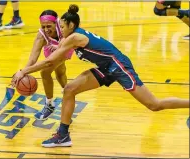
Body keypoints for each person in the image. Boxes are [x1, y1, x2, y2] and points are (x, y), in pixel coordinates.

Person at [11, 4, 189, 147]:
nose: (61, 30)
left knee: (154, 105)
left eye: (62, 27)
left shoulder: (73, 38)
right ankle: (63, 135)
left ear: (71, 26)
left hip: (118, 66)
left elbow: (49, 62)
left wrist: (24, 71)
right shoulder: (72, 35)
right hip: (105, 66)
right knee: (70, 89)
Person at [16, 9, 73, 120]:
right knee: (60, 71)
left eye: (49, 26)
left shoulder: (64, 28)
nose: (46, 29)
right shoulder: (41, 36)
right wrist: (22, 73)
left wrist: (60, 47)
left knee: (45, 72)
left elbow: (72, 42)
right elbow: (33, 58)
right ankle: (68, 96)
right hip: (51, 48)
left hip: (67, 46)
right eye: (43, 27)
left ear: (56, 23)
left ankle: (49, 105)